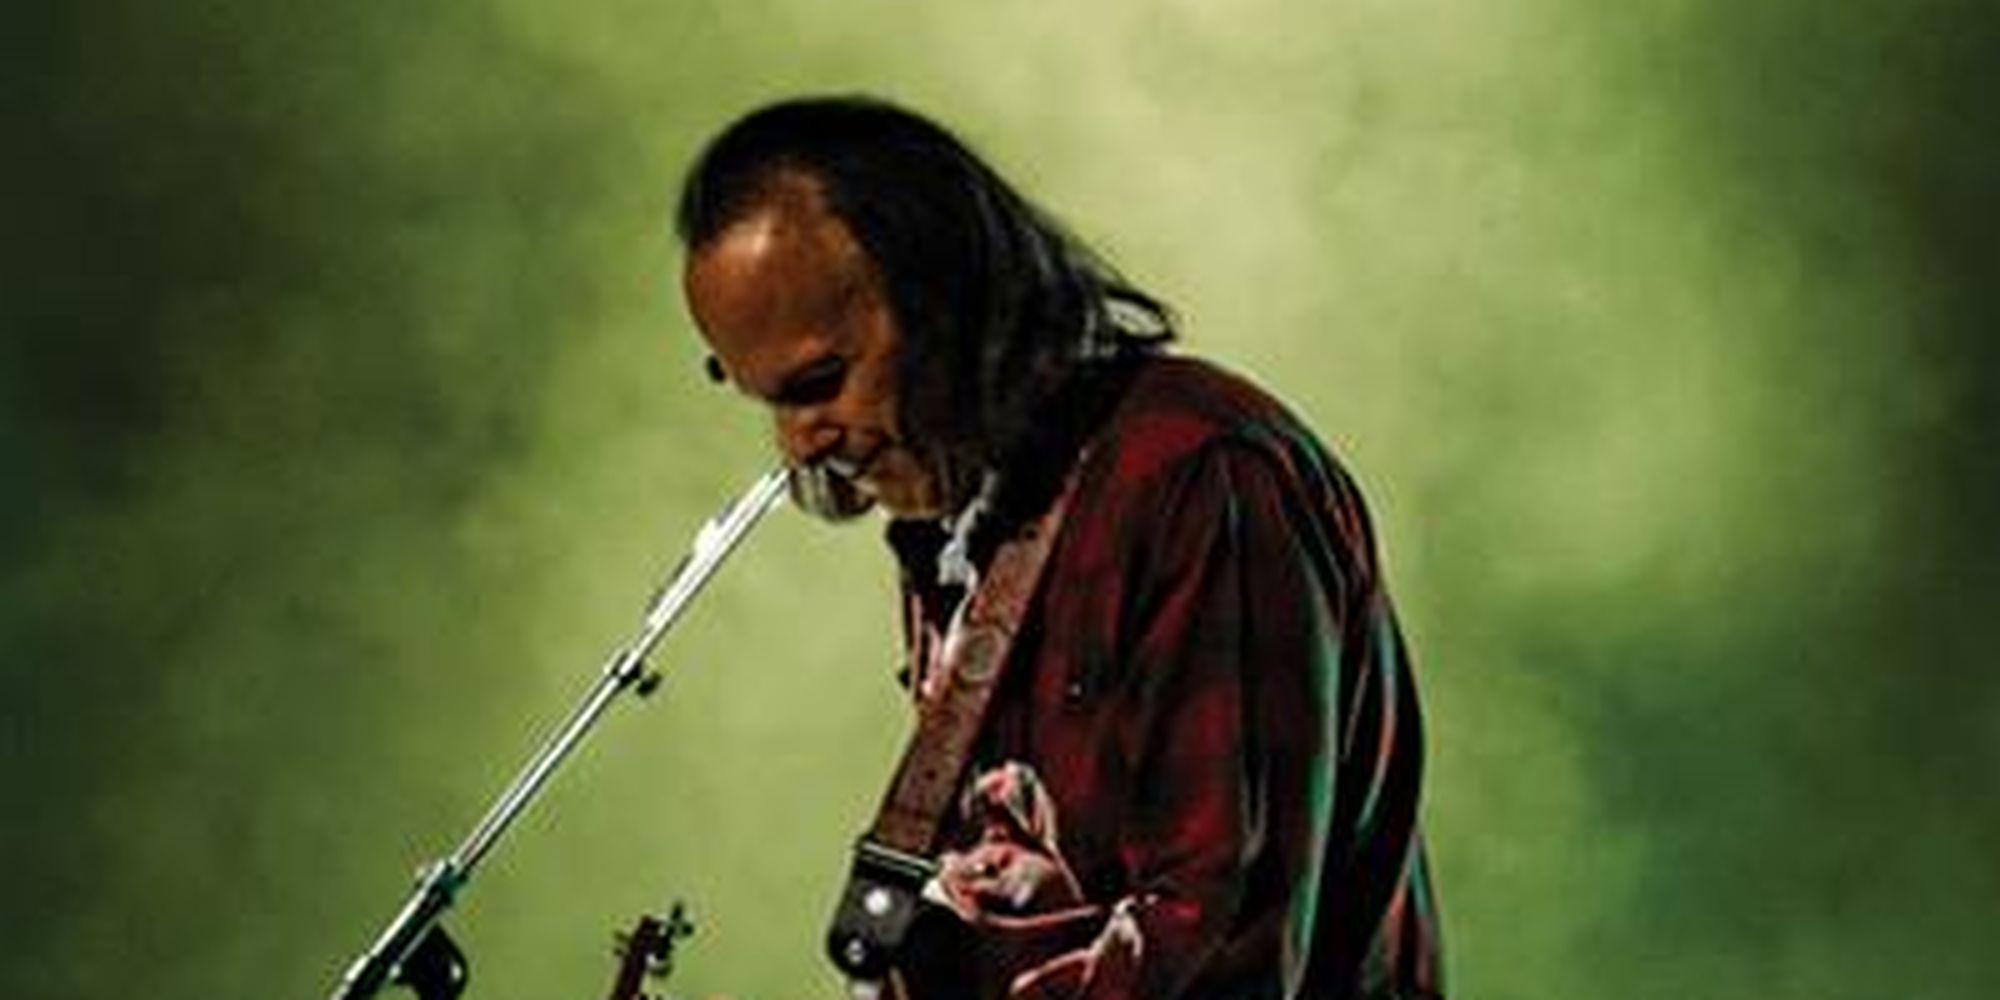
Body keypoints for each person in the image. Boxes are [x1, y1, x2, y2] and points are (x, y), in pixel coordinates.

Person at [673, 95, 1443, 1000]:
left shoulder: (1197, 477)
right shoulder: (958, 541)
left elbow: (1218, 948)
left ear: (944, 296)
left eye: (819, 382)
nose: (800, 444)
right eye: (772, 402)